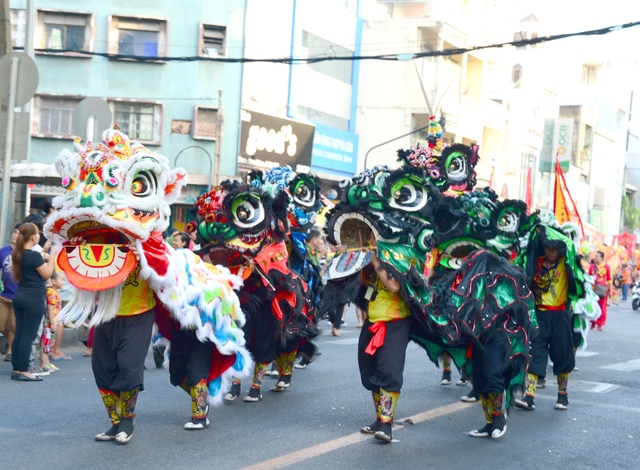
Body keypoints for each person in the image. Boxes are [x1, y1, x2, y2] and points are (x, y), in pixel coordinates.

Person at [358, 236, 411, 443]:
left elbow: (394, 286)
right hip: (372, 321)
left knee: (389, 370)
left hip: (395, 321)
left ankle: (387, 424)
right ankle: (380, 418)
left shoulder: (399, 252)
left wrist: (375, 261)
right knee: (369, 370)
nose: (371, 238)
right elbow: (363, 284)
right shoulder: (371, 256)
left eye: (373, 234)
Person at [515, 240, 575, 411]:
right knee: (534, 354)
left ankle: (562, 396)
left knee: (562, 355)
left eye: (554, 249)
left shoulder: (565, 263)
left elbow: (571, 248)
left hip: (559, 315)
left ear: (559, 251)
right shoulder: (535, 262)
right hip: (538, 315)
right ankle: (529, 397)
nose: (550, 252)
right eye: (547, 248)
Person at [11, 223, 56, 381]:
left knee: (20, 334)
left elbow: (33, 264)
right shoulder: (34, 255)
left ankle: (17, 368)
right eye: (38, 233)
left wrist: (44, 252)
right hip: (33, 298)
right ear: (33, 236)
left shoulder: (19, 253)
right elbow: (47, 274)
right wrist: (53, 255)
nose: (39, 235)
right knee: (28, 336)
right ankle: (23, 370)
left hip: (20, 295)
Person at [0, 226, 19, 363]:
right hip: (4, 294)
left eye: (19, 233)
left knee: (12, 326)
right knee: (2, 325)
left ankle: (11, 351)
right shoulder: (3, 251)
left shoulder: (25, 253)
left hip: (18, 295)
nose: (16, 235)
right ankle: (11, 342)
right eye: (15, 231)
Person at [40, 272, 64, 373]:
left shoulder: (54, 292)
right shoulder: (51, 292)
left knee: (49, 343)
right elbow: (50, 309)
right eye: (62, 280)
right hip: (49, 323)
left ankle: (47, 363)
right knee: (45, 344)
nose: (64, 282)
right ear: (54, 281)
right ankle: (43, 364)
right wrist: (53, 323)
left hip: (53, 322)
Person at [590, 251, 612, 331]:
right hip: (593, 290)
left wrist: (610, 291)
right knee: (593, 306)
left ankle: (600, 324)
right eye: (595, 256)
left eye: (597, 256)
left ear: (602, 258)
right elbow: (589, 277)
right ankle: (593, 323)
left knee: (602, 307)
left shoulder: (607, 267)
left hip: (603, 290)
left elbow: (609, 279)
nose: (595, 257)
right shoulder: (592, 266)